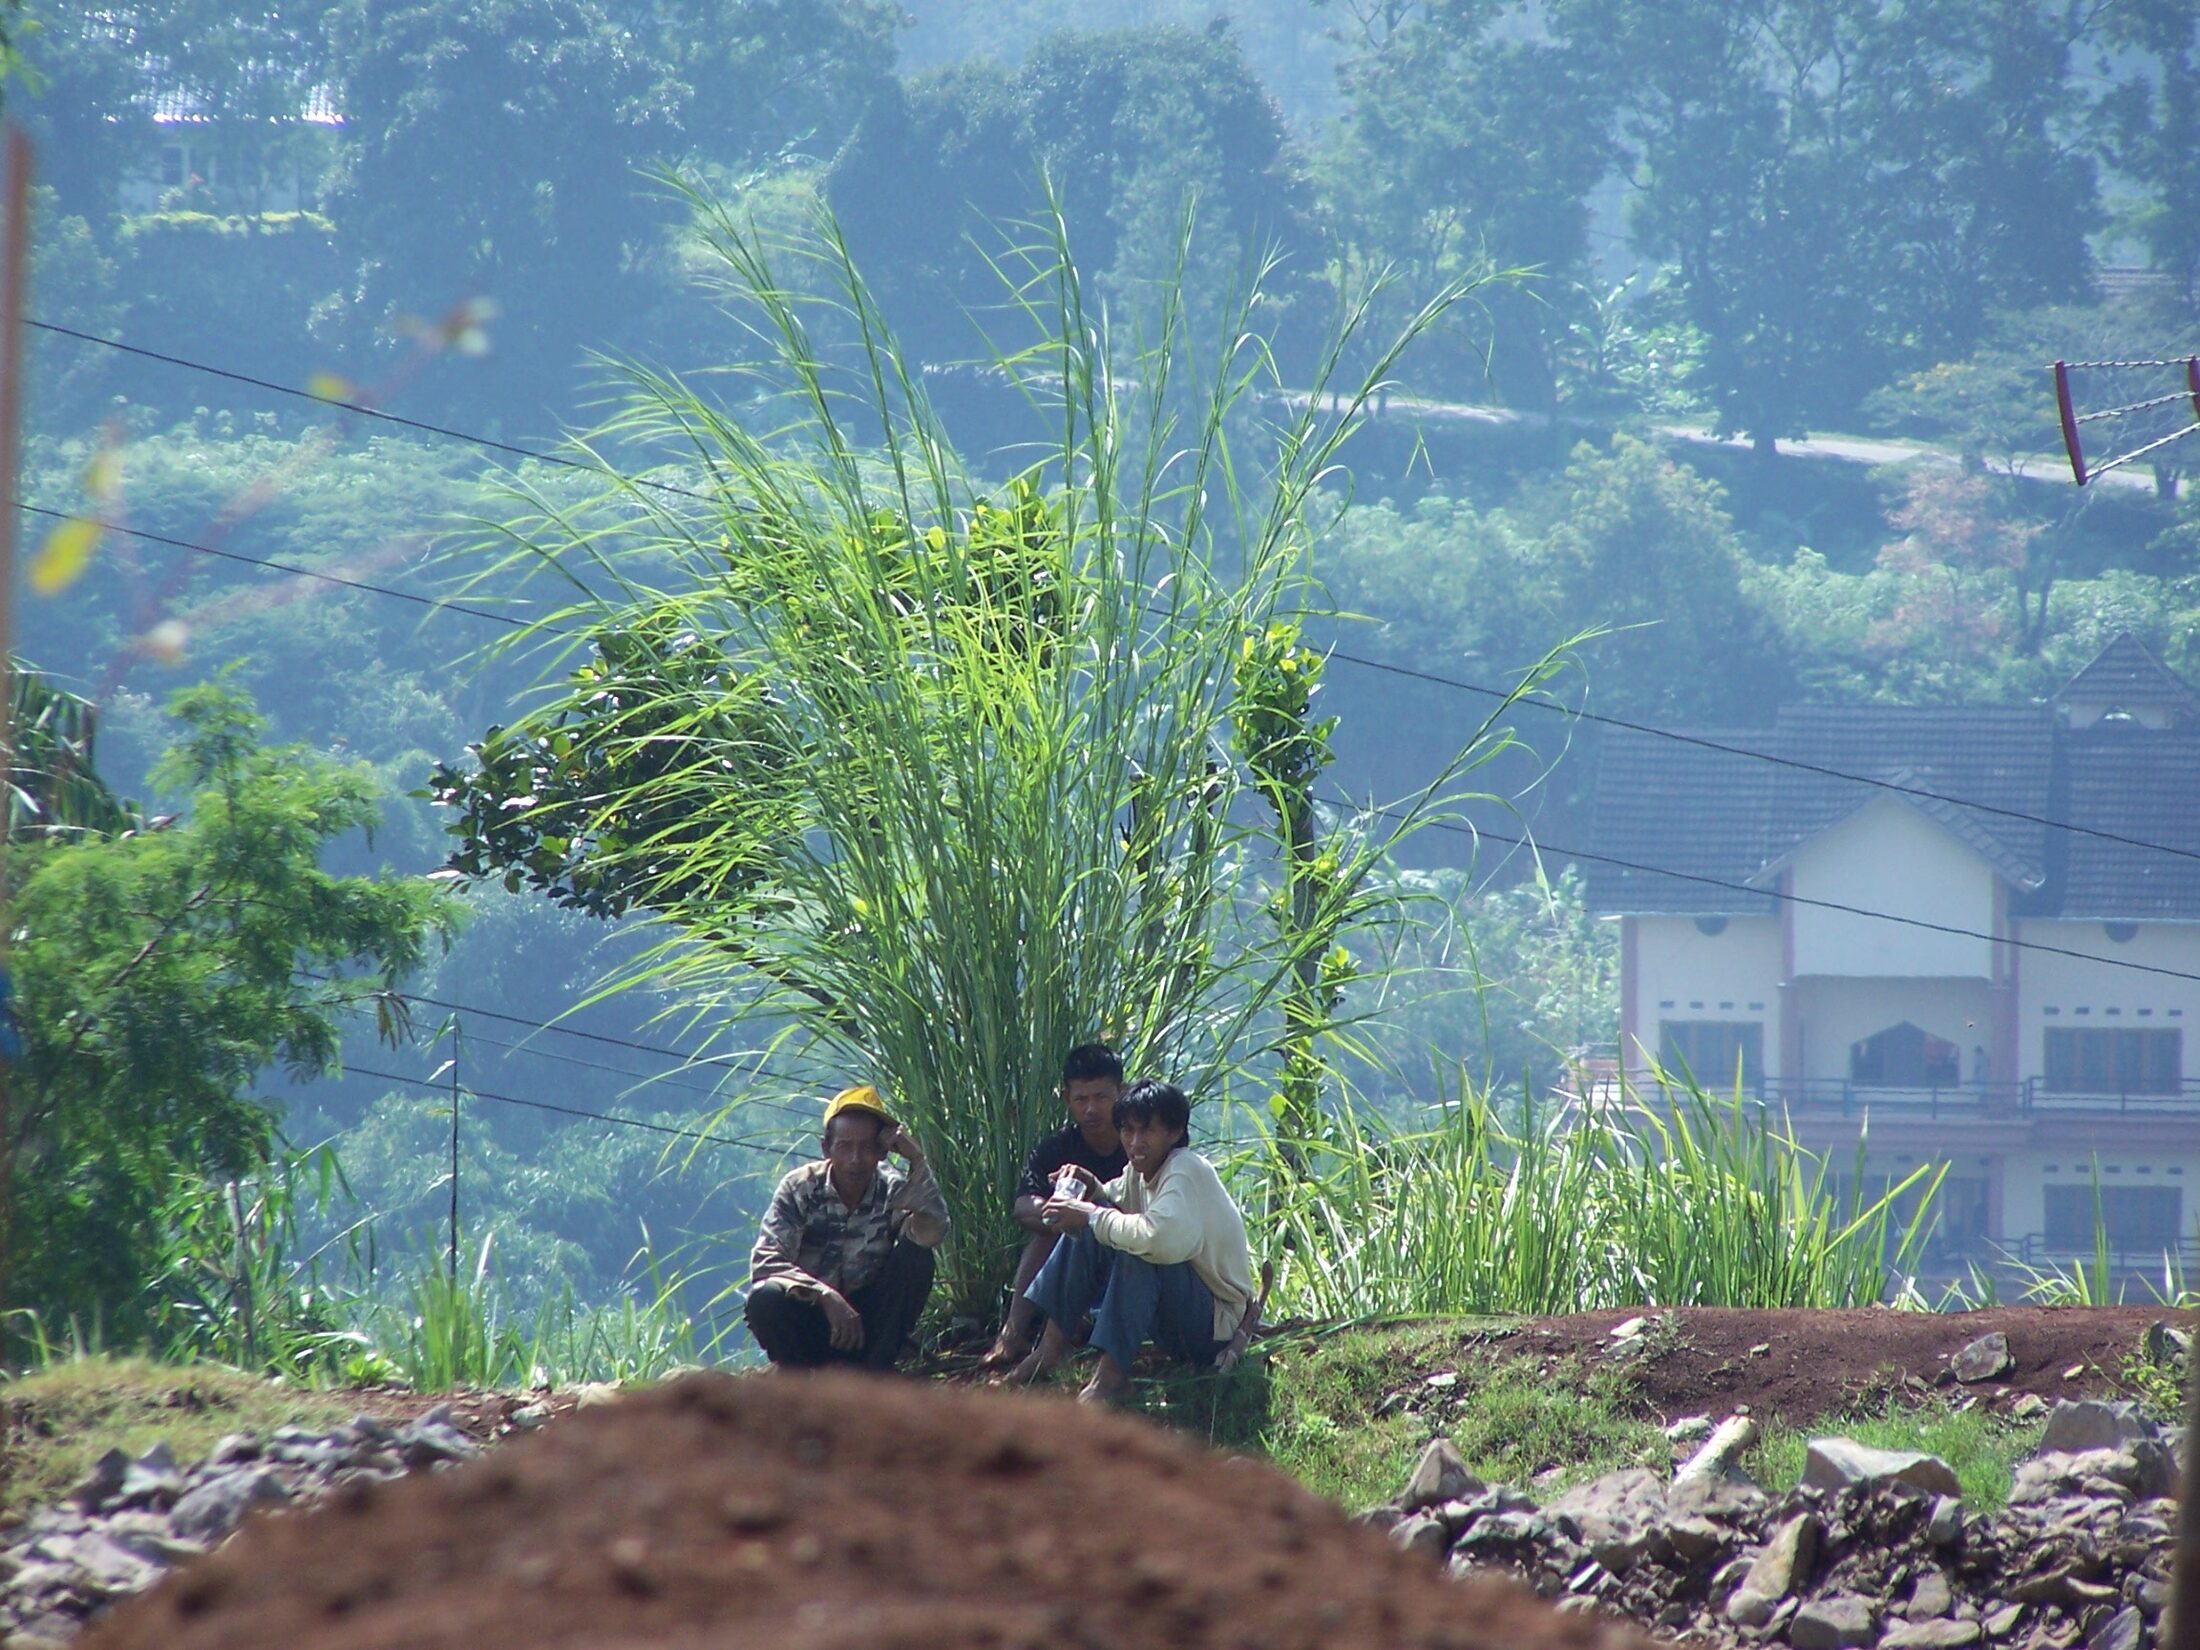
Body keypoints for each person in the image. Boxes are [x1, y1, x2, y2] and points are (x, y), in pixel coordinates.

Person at [999, 1077, 1255, 1404]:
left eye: (1146, 1131)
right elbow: (1113, 1198)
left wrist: (1089, 1214)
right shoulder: (1142, 1170)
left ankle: (1110, 1378)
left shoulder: (1184, 1169)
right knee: (1098, 1221)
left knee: (1140, 1247)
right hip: (1178, 1320)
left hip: (1214, 1330)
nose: (1135, 1142)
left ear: (1174, 1133)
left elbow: (1159, 1239)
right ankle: (1050, 1348)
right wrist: (1092, 1190)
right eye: (1127, 1131)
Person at [745, 1085, 950, 1370]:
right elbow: (766, 1262)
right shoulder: (800, 1188)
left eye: (867, 1147)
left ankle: (874, 1373)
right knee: (765, 1298)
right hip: (811, 1317)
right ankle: (802, 1381)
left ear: (881, 1151)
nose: (855, 1159)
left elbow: (933, 1230)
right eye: (844, 1147)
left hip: (868, 1324)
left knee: (917, 1258)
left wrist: (917, 1160)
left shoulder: (891, 1188)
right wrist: (825, 1296)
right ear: (826, 1148)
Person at [975, 1042, 1128, 1373]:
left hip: (1127, 1248)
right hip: (1073, 1255)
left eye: (1101, 1097)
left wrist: (1092, 1215)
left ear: (1122, 1092)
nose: (1091, 1109)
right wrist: (1056, 1212)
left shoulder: (1138, 1141)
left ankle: (1069, 1340)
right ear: (1066, 1099)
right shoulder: (1057, 1147)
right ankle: (1013, 1333)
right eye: (1081, 1099)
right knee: (1047, 1231)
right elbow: (1021, 1205)